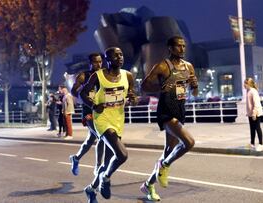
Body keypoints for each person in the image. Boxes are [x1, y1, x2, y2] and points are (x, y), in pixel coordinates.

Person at [140, 36, 198, 201]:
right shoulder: (162, 66)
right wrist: (161, 86)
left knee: (167, 151)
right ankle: (164, 165)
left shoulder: (189, 67)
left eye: (184, 46)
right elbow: (144, 86)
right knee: (189, 142)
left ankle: (148, 185)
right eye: (178, 46)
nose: (182, 49)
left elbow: (194, 93)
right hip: (166, 111)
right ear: (170, 48)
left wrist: (194, 85)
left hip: (180, 109)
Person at [80, 47, 137, 202]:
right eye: (115, 55)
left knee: (108, 162)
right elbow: (82, 93)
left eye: (121, 54)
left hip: (118, 119)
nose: (119, 57)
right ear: (107, 59)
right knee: (122, 154)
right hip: (102, 120)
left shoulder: (128, 76)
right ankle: (105, 179)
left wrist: (133, 99)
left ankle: (91, 189)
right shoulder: (98, 76)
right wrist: (93, 105)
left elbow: (132, 96)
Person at [69, 53, 105, 176]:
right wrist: (84, 93)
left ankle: (76, 158)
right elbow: (74, 91)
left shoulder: (103, 75)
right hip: (88, 112)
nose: (99, 64)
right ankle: (99, 167)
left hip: (100, 111)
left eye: (100, 62)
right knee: (102, 136)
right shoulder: (84, 76)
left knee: (90, 139)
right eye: (96, 62)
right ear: (90, 63)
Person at [244, 78, 263, 151]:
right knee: (252, 129)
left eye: (245, 83)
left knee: (257, 128)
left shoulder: (253, 91)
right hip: (251, 113)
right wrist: (249, 113)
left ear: (248, 84)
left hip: (256, 113)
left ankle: (261, 144)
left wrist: (254, 113)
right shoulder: (248, 91)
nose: (244, 85)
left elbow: (256, 103)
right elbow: (250, 104)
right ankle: (252, 143)